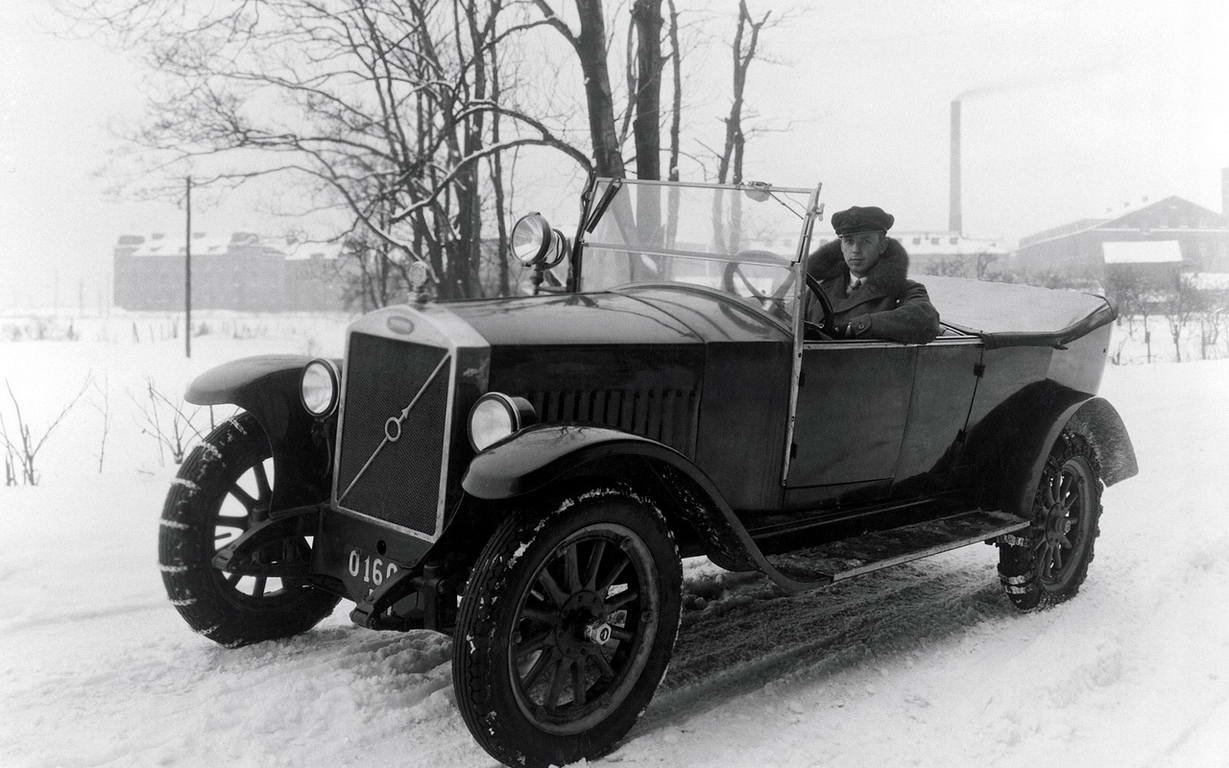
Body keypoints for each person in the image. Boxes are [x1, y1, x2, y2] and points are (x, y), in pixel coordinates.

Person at [805, 205, 940, 344]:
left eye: (865, 241)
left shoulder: (904, 290)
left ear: (882, 246)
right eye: (849, 241)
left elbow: (926, 319)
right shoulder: (817, 291)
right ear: (841, 246)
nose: (856, 250)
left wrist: (854, 327)